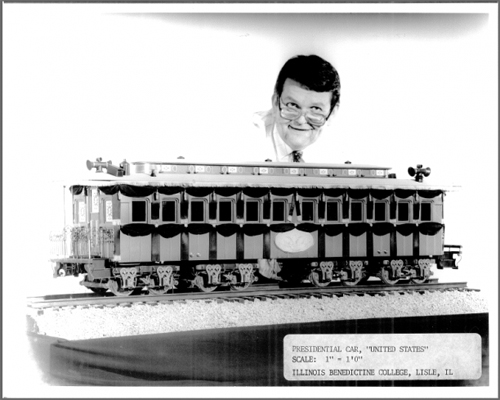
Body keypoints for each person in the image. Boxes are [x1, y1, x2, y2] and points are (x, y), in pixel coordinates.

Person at [254, 54, 341, 163]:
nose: (300, 120)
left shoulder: (345, 149)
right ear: (275, 103)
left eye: (315, 109)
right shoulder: (245, 139)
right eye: (293, 105)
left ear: (332, 113)